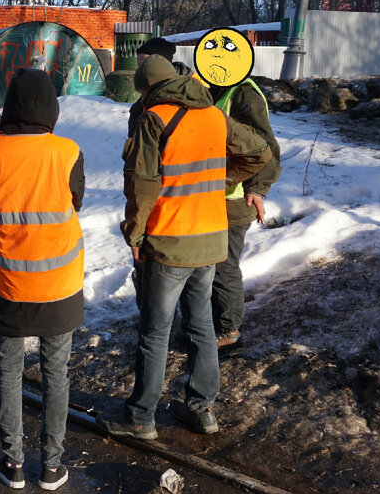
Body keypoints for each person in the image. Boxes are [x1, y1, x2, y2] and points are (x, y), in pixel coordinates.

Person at [99, 55, 271, 439]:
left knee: (155, 331)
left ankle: (140, 418)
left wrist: (135, 234)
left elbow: (142, 185)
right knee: (201, 326)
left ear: (146, 89)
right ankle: (201, 409)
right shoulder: (212, 114)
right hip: (210, 238)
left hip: (169, 241)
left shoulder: (152, 119)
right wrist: (225, 181)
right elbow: (260, 151)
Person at [0, 68, 85, 490]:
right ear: (52, 107)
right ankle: (52, 467)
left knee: (9, 370)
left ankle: (12, 464)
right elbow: (76, 201)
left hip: (6, 284)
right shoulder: (69, 152)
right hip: (59, 283)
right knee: (57, 373)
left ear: (10, 105)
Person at [202, 73, 281, 353]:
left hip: (233, 200)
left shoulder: (243, 94)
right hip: (211, 196)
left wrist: (258, 187)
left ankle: (228, 331)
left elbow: (265, 146)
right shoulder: (217, 89)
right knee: (207, 265)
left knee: (224, 267)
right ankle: (208, 327)